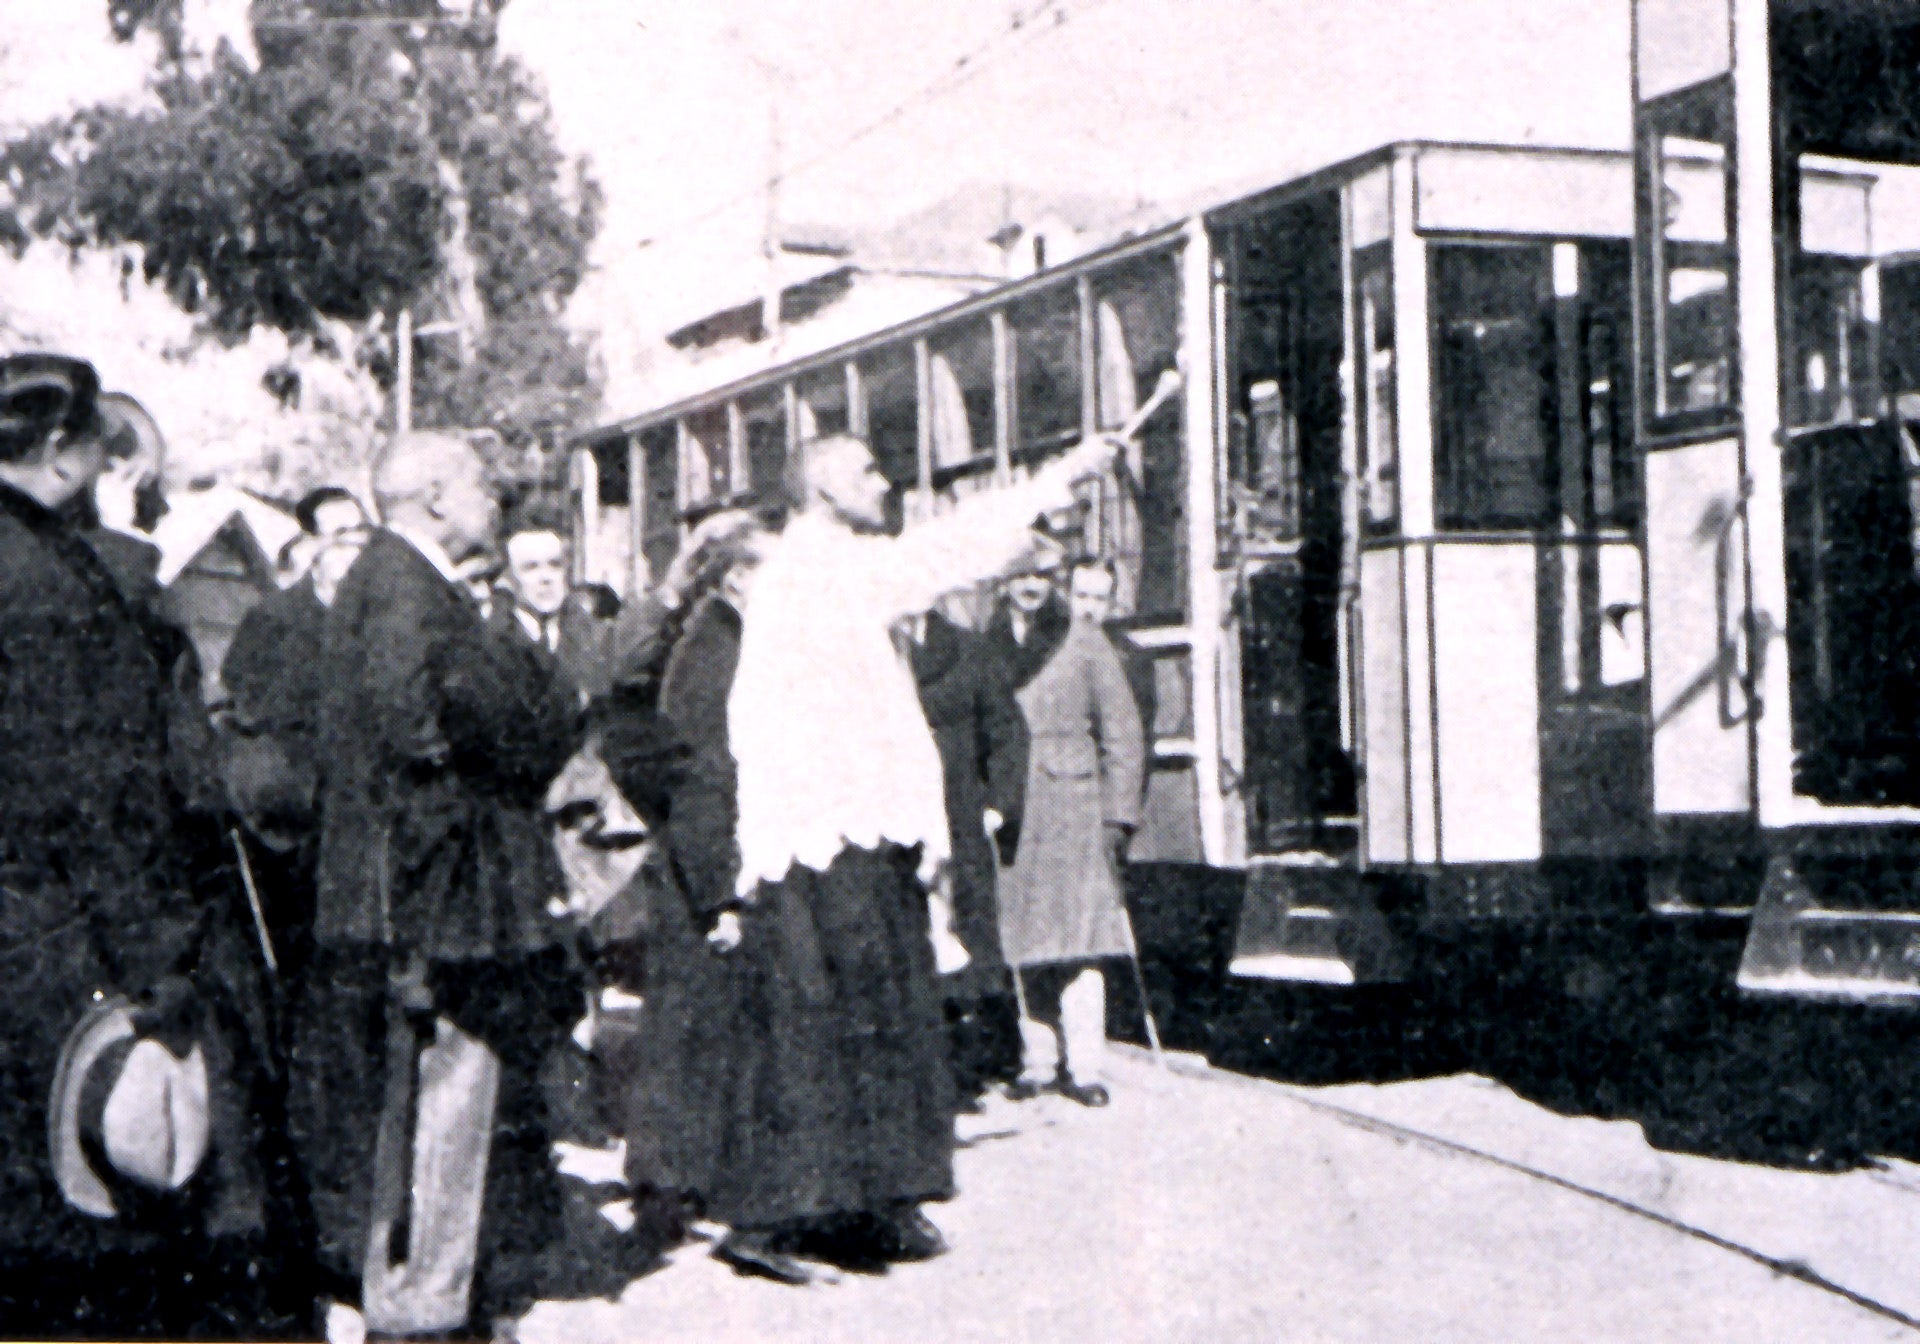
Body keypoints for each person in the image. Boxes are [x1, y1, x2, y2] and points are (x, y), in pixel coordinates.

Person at [715, 429, 1122, 1279]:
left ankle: (867, 1204)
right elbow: (946, 553)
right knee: (822, 1031)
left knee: (886, 1022)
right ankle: (774, 1221)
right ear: (823, 489)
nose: (886, 479)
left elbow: (940, 559)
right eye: (869, 469)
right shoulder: (818, 564)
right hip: (821, 843)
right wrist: (1057, 477)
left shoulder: (836, 562)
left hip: (866, 836)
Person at [0, 353, 299, 1337]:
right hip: (65, 957)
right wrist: (158, 971)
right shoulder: (66, 588)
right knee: (103, 1250)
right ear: (63, 455)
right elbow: (96, 798)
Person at [295, 432, 583, 1337]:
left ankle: (421, 1298)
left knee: (430, 1104)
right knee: (443, 1104)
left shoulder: (400, 582)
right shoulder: (403, 589)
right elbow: (414, 749)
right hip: (435, 902)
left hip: (425, 896)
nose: (492, 498)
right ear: (429, 498)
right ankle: (422, 1311)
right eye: (475, 485)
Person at [996, 558, 1146, 1107]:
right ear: (1003, 580)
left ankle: (1085, 1068)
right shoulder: (986, 641)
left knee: (1081, 941)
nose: (1031, 585)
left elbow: (1123, 733)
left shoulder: (1082, 640)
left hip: (1074, 806)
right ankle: (1037, 1062)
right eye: (1020, 575)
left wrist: (1118, 817)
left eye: (1041, 575)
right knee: (1025, 938)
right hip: (1012, 809)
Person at [222, 499, 372, 982]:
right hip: (299, 824)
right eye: (341, 534)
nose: (356, 545)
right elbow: (253, 708)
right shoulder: (275, 619)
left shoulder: (381, 618)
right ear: (310, 547)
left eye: (362, 531)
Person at [901, 603, 1028, 1103]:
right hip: (896, 815)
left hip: (959, 814)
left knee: (968, 931)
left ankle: (969, 1064)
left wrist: (997, 804)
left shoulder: (970, 651)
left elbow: (1007, 732)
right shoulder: (866, 650)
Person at [501, 520, 616, 700]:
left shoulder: (594, 637)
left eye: (555, 565)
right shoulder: (493, 638)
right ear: (509, 578)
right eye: (530, 568)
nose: (545, 578)